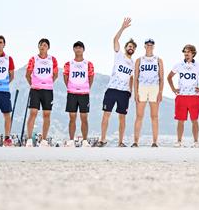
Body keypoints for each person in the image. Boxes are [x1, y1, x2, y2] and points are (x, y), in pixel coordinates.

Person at [99, 18, 135, 147]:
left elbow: (132, 77)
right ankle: (102, 140)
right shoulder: (119, 55)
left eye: (133, 47)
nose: (131, 48)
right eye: (129, 46)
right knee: (106, 115)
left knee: (122, 118)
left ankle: (120, 142)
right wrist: (122, 28)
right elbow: (115, 40)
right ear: (126, 48)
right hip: (112, 89)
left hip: (124, 92)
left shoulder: (133, 63)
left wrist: (131, 91)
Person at [167, 44, 199, 148]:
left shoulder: (198, 66)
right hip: (181, 96)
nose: (186, 53)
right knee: (180, 120)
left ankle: (196, 142)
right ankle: (179, 141)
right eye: (185, 51)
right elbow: (169, 77)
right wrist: (173, 89)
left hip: (194, 97)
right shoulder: (179, 65)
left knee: (194, 120)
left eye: (189, 51)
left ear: (193, 53)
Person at [25, 38, 58, 147]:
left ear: (48, 47)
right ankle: (29, 140)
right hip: (35, 90)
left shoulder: (52, 59)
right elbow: (27, 74)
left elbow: (55, 75)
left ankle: (43, 140)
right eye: (41, 45)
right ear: (38, 46)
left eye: (45, 45)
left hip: (48, 90)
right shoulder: (33, 59)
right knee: (33, 113)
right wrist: (34, 84)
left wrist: (47, 83)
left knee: (46, 114)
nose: (43, 47)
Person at [63, 41, 94, 147]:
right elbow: (65, 77)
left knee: (84, 118)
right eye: (76, 47)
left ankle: (85, 141)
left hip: (84, 93)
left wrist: (86, 87)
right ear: (73, 50)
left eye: (80, 47)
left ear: (83, 50)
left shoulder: (88, 64)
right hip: (72, 93)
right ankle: (71, 140)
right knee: (72, 117)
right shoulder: (68, 64)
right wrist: (71, 87)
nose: (78, 49)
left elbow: (91, 77)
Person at [133, 38, 163, 147]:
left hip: (154, 87)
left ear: (153, 46)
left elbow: (161, 78)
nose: (149, 46)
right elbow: (135, 77)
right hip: (142, 87)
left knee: (154, 116)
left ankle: (155, 142)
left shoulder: (158, 60)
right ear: (144, 46)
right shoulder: (139, 60)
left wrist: (160, 92)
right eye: (147, 44)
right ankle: (135, 142)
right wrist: (135, 92)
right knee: (139, 115)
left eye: (151, 45)